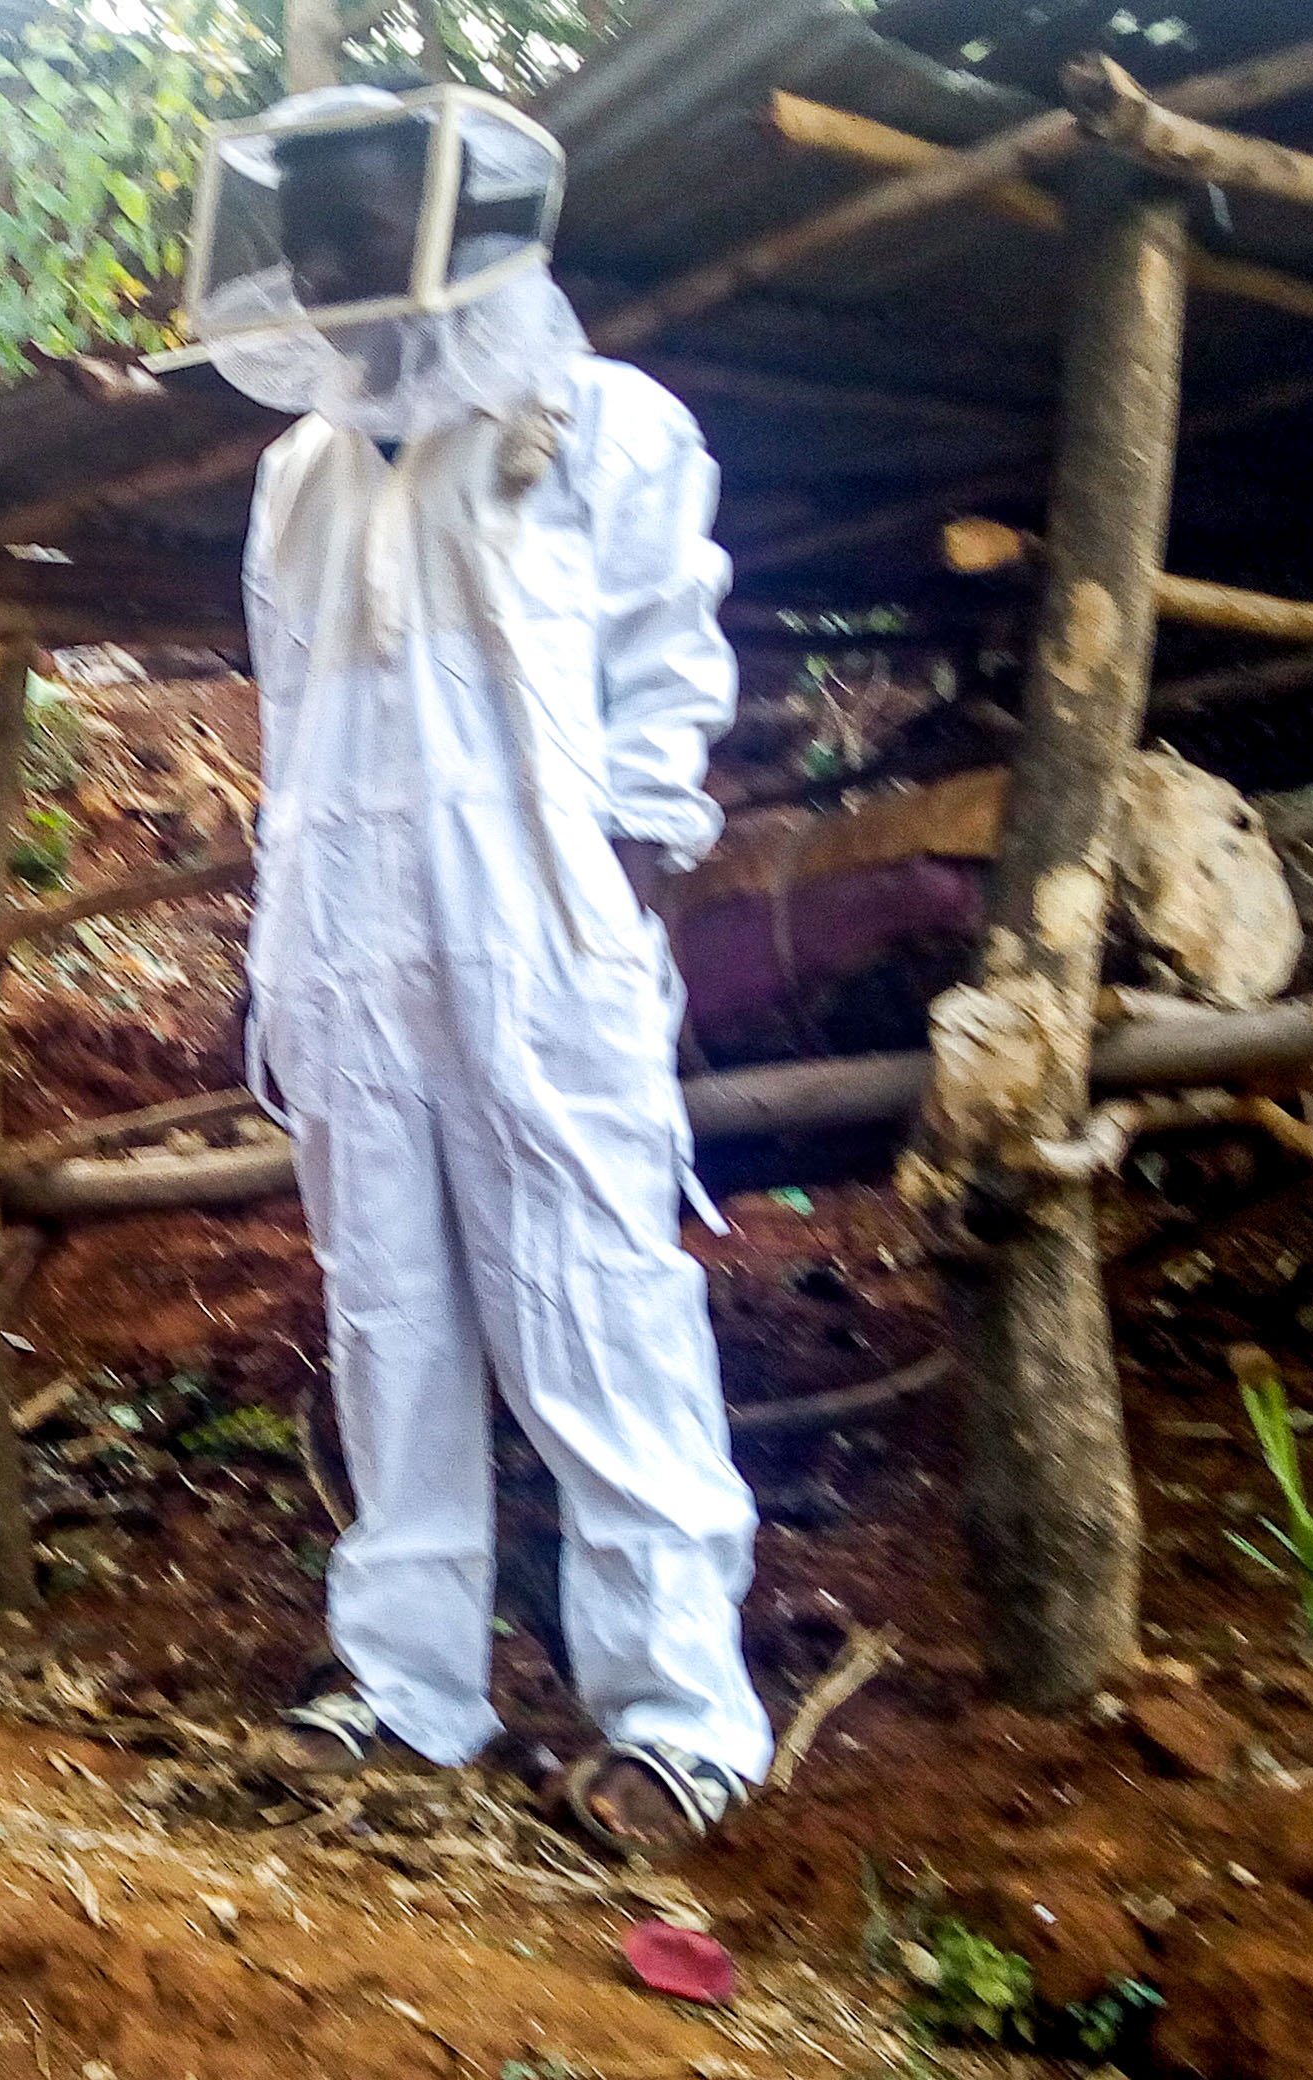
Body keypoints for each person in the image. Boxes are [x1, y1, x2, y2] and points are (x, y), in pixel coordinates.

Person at [197, 85, 764, 1854]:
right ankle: (405, 1689)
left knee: (598, 1298)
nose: (336, 255)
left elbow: (671, 680)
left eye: (366, 216)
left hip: (541, 945)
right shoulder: (292, 477)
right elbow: (295, 723)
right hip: (347, 948)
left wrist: (610, 889)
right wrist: (287, 946)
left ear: (461, 219)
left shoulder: (606, 425)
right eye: (312, 225)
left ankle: (680, 1724)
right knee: (388, 1317)